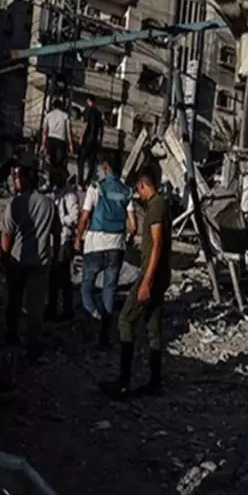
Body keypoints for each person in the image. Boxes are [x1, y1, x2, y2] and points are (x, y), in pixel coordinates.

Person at [105, 166, 170, 397]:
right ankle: (155, 381)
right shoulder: (160, 204)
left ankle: (124, 381)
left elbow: (157, 244)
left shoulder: (156, 206)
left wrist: (146, 280)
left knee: (125, 319)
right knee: (153, 326)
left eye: (139, 190)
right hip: (159, 275)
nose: (138, 195)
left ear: (144, 185)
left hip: (151, 275)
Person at [0, 162, 55, 358]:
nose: (15, 181)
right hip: (40, 261)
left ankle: (12, 334)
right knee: (35, 304)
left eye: (17, 177)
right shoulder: (48, 204)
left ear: (24, 180)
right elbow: (56, 233)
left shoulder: (16, 203)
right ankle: (33, 341)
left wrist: (4, 256)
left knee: (14, 298)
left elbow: (7, 233)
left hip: (18, 259)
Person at [76, 152, 129, 346]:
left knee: (86, 287)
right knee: (109, 290)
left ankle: (91, 319)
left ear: (106, 167)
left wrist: (78, 238)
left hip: (95, 244)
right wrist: (127, 238)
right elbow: (133, 225)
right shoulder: (125, 190)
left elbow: (84, 217)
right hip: (117, 245)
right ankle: (104, 336)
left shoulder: (95, 187)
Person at [46, 169, 80, 322]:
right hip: (54, 239)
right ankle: (52, 308)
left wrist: (62, 218)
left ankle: (67, 309)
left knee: (63, 276)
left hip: (64, 239)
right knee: (53, 277)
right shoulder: (56, 193)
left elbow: (75, 217)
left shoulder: (69, 194)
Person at [40, 101, 74, 177]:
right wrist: (71, 144)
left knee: (51, 161)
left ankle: (51, 176)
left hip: (51, 139)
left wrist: (43, 145)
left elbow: (44, 132)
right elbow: (68, 131)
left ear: (53, 106)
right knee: (59, 162)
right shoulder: (65, 116)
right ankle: (58, 176)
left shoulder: (48, 115)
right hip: (61, 140)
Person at [76, 95, 104, 186]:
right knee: (91, 163)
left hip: (87, 139)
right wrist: (99, 141)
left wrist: (81, 137)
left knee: (81, 160)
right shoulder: (99, 113)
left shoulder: (88, 110)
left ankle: (80, 182)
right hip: (94, 141)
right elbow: (101, 129)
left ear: (88, 101)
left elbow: (85, 124)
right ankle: (88, 182)